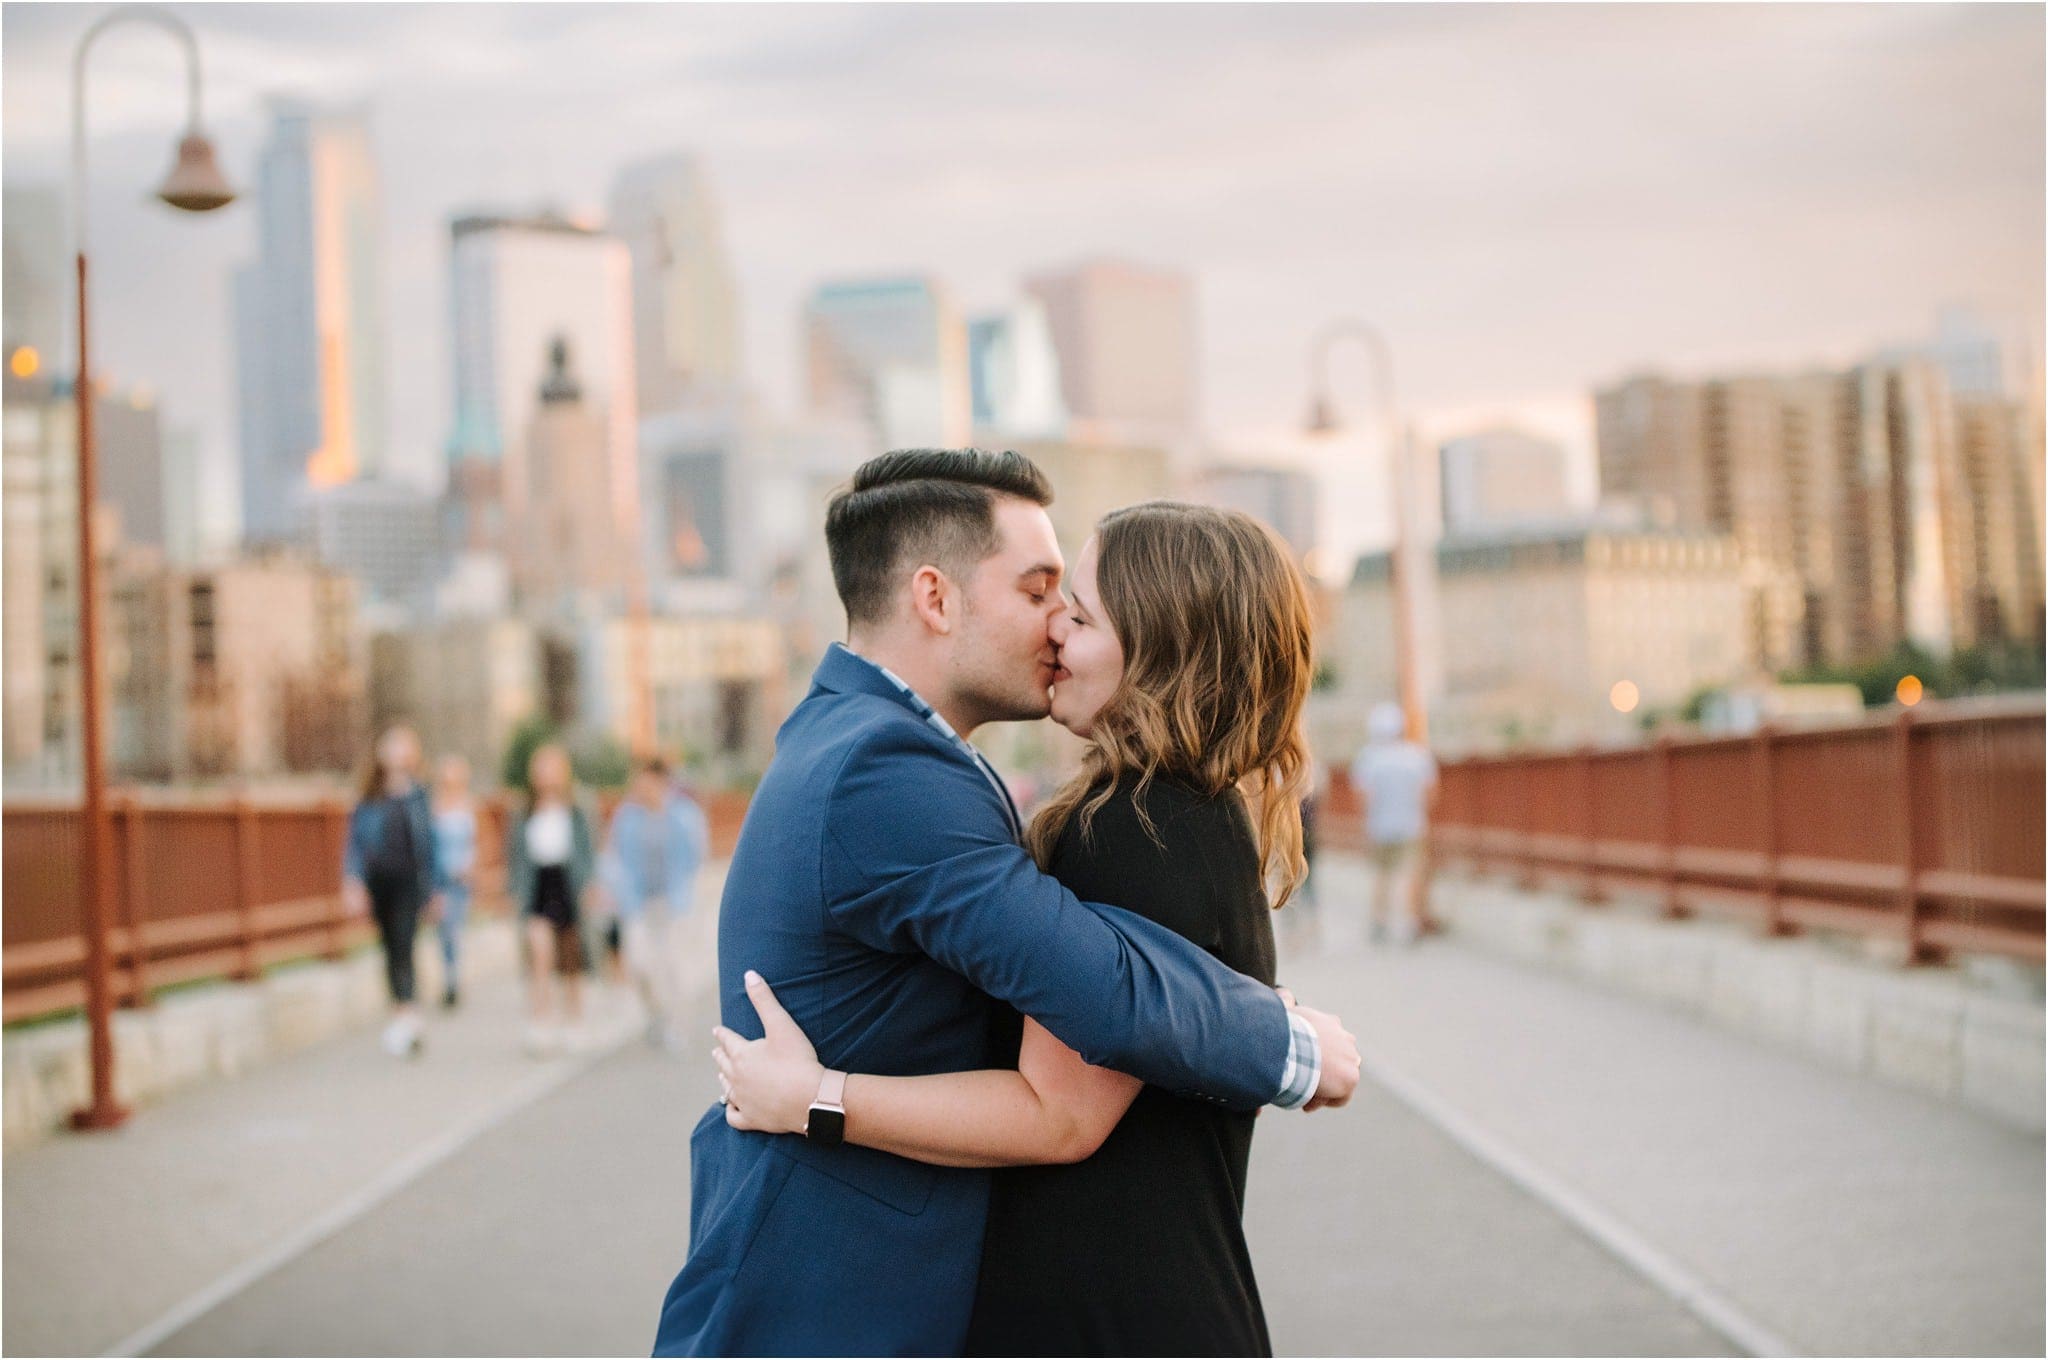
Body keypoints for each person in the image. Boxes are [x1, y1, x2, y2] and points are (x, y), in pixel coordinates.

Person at [651, 449, 1359, 1357]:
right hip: (833, 1302)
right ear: (937, 600)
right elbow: (1102, 989)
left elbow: (1084, 1003)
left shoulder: (875, 745)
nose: (1055, 627)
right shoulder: (886, 771)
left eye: (1076, 607)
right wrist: (1287, 1043)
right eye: (1039, 595)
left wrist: (820, 1096)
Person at [342, 724, 438, 1059]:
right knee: (389, 948)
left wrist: (434, 890)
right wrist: (353, 882)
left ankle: (408, 1014)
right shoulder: (369, 795)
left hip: (409, 883)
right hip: (379, 883)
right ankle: (400, 1013)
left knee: (404, 942)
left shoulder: (419, 794)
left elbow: (431, 844)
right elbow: (354, 843)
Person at [600, 756, 709, 1047]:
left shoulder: (684, 814)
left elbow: (696, 855)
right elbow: (614, 857)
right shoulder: (627, 816)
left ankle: (679, 1025)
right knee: (639, 963)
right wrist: (612, 889)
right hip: (637, 902)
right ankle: (656, 1012)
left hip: (675, 902)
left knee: (675, 965)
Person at [506, 743, 599, 1055]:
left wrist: (590, 885)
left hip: (568, 882)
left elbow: (588, 848)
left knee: (571, 956)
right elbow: (515, 856)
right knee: (539, 955)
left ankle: (574, 1019)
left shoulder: (577, 805)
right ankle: (540, 1020)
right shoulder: (523, 810)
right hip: (538, 886)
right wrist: (514, 892)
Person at [1351, 700, 1439, 944]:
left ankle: (1380, 921)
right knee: (1412, 874)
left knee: (1382, 875)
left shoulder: (1368, 758)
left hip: (1380, 826)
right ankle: (1412, 922)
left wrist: (1367, 822)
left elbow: (1363, 797)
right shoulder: (1417, 756)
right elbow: (1429, 793)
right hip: (1412, 824)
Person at [430, 755, 479, 1010]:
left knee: (456, 929)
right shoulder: (434, 808)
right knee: (445, 931)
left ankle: (455, 977)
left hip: (462, 880)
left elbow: (475, 843)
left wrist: (471, 867)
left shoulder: (467, 806)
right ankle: (450, 979)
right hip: (441, 880)